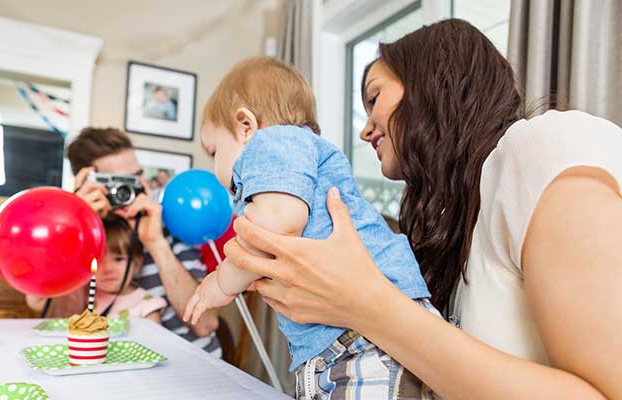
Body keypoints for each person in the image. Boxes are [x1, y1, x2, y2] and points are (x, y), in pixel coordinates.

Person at [224, 19, 622, 399]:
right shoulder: (466, 228)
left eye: (375, 97)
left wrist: (367, 304)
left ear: (436, 81)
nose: (364, 130)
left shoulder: (542, 145)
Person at [184, 57, 438, 399]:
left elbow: (277, 223)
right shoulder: (294, 154)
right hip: (346, 340)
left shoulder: (273, 142)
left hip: (364, 341)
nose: (215, 167)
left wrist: (220, 282)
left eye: (214, 150)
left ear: (246, 126)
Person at [28, 127, 221, 357]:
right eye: (117, 182)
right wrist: (77, 221)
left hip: (192, 367)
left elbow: (205, 324)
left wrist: (156, 242)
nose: (130, 190)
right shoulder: (80, 238)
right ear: (88, 183)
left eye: (136, 177)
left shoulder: (173, 228)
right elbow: (54, 316)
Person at [93, 214, 166, 323]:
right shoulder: (82, 299)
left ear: (136, 264)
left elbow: (153, 339)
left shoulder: (147, 305)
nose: (108, 269)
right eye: (99, 261)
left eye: (118, 259)